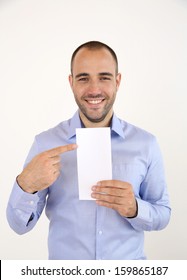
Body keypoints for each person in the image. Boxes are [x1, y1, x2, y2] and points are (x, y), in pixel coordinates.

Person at [6, 41, 171, 260]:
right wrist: (25, 185)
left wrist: (135, 208)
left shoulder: (146, 144)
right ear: (71, 82)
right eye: (83, 78)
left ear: (118, 81)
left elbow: (163, 214)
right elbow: (19, 227)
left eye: (104, 77)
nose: (94, 89)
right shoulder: (45, 144)